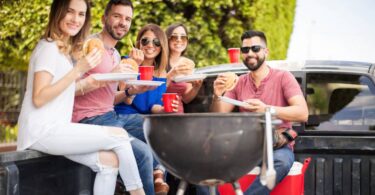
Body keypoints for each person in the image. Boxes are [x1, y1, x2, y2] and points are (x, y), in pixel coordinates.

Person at [16, 0, 145, 195]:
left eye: (81, 14)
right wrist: (79, 70)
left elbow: (62, 90)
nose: (76, 19)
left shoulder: (63, 50)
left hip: (58, 128)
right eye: (70, 12)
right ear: (58, 12)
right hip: (42, 130)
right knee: (119, 137)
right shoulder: (48, 48)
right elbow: (39, 98)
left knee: (109, 162)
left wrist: (89, 83)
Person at [210, 30, 308, 195]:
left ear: (266, 51)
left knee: (281, 162)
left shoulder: (284, 77)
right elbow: (218, 116)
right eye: (245, 50)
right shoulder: (239, 82)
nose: (250, 53)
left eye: (255, 48)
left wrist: (266, 109)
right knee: (206, 165)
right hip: (246, 147)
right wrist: (217, 95)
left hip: (277, 147)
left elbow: (302, 113)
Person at [71, 0, 154, 194]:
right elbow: (68, 87)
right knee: (143, 154)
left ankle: (158, 178)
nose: (123, 23)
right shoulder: (86, 46)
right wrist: (113, 73)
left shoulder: (116, 54)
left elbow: (107, 98)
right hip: (88, 120)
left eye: (127, 19)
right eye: (117, 16)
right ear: (104, 19)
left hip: (111, 116)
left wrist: (131, 91)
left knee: (157, 129)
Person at [114, 23, 176, 195]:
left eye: (156, 42)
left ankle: (157, 175)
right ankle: (158, 174)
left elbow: (152, 106)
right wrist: (135, 65)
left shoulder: (161, 73)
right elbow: (127, 99)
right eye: (145, 40)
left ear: (162, 46)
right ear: (138, 43)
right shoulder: (128, 62)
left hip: (140, 122)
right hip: (121, 119)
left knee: (167, 132)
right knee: (157, 133)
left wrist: (165, 111)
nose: (150, 45)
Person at [165, 23, 203, 113]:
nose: (179, 40)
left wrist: (196, 87)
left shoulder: (187, 63)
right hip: (159, 114)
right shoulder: (160, 61)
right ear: (167, 39)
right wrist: (171, 75)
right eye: (174, 37)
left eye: (183, 37)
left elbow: (186, 99)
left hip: (179, 115)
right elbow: (152, 93)